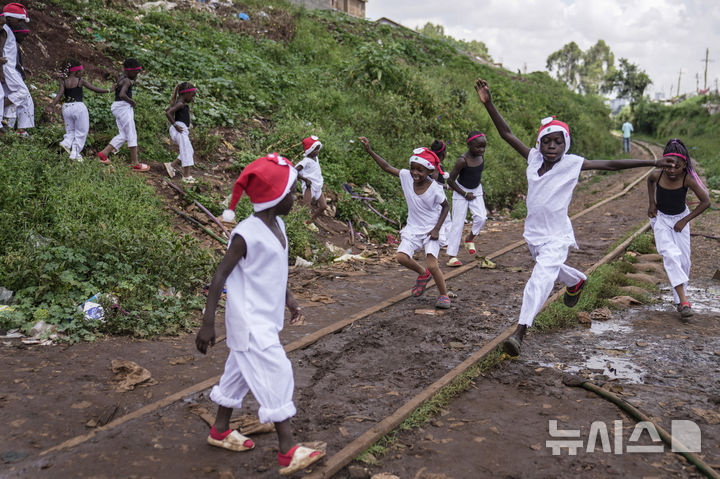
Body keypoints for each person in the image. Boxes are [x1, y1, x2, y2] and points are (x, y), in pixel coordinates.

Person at [474, 78, 675, 356]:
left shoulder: (572, 164)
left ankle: (519, 332)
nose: (552, 146)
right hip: (534, 233)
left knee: (540, 279)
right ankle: (575, 281)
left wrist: (652, 162)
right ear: (540, 143)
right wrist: (489, 104)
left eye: (558, 141)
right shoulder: (533, 158)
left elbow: (611, 164)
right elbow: (507, 134)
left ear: (565, 144)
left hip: (556, 235)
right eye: (547, 141)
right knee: (547, 268)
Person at [200, 153, 325, 475]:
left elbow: (273, 270)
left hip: (265, 316)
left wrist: (290, 298)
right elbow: (219, 276)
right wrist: (207, 323)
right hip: (249, 321)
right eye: (292, 193)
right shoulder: (246, 233)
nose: (296, 198)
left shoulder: (278, 224)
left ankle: (220, 431)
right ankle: (288, 451)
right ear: (275, 197)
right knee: (277, 371)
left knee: (237, 374)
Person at [359, 137, 452, 309]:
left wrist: (437, 229)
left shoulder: (435, 189)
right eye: (413, 169)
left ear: (429, 171)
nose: (415, 173)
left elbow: (446, 207)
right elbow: (386, 167)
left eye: (420, 171)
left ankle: (444, 295)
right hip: (414, 228)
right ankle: (422, 274)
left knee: (432, 264)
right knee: (401, 257)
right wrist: (370, 150)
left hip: (432, 229)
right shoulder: (407, 177)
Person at [647, 139, 710, 320]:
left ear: (684, 165)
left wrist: (684, 220)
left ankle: (678, 301)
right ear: (663, 163)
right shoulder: (657, 175)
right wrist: (652, 203)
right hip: (661, 220)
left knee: (684, 262)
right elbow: (649, 181)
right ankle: (684, 301)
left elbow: (706, 202)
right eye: (668, 166)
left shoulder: (687, 179)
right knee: (669, 255)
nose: (672, 170)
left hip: (681, 219)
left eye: (677, 166)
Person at [45, 59, 111, 161]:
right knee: (81, 132)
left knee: (70, 130)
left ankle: (66, 143)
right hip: (79, 108)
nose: (82, 73)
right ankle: (75, 153)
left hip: (66, 107)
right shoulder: (80, 81)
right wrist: (109, 90)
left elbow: (59, 94)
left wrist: (51, 105)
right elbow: (95, 89)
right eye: (81, 71)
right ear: (76, 72)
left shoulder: (63, 81)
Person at [97, 58, 149, 171]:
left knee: (124, 134)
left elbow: (115, 90)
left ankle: (103, 153)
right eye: (135, 72)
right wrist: (132, 101)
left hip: (117, 107)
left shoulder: (121, 77)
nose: (137, 75)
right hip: (123, 107)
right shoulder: (127, 81)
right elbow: (122, 94)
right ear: (129, 71)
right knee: (131, 134)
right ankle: (135, 163)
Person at [445, 131, 488, 267]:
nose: (481, 150)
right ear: (469, 145)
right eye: (478, 147)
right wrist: (464, 194)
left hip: (476, 190)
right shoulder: (462, 161)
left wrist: (480, 189)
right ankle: (452, 256)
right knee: (457, 224)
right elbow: (451, 181)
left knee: (482, 218)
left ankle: (469, 239)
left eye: (483, 147)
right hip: (460, 192)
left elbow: (477, 174)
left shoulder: (481, 156)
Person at [0, 3, 34, 137]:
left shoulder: (8, 29)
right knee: (22, 92)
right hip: (7, 67)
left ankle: (13, 126)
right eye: (18, 20)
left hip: (11, 67)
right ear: (10, 18)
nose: (20, 24)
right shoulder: (4, 28)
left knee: (14, 95)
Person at [164, 81, 197, 183]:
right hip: (179, 129)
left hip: (182, 130)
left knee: (189, 151)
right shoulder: (180, 104)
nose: (193, 98)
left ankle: (171, 165)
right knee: (186, 151)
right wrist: (175, 125)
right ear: (186, 94)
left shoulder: (182, 103)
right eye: (192, 96)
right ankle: (186, 177)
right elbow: (168, 113)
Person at [296, 135, 328, 221]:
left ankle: (309, 221)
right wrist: (305, 180)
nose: (317, 151)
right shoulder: (306, 161)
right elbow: (295, 171)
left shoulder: (316, 158)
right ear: (309, 150)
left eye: (318, 149)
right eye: (315, 149)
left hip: (317, 186)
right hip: (309, 187)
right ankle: (301, 223)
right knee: (306, 208)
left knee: (323, 206)